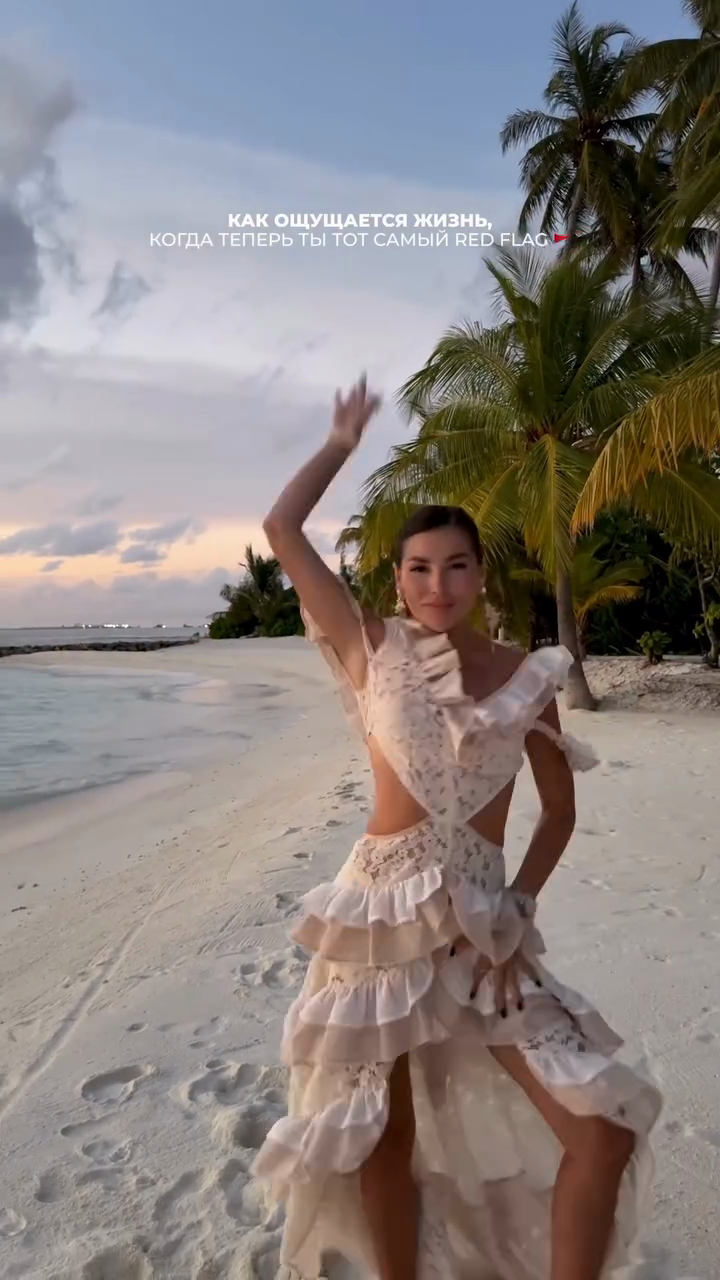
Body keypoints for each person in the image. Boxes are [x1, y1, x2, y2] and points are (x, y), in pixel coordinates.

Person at [252, 377, 662, 1280]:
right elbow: (284, 531)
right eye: (419, 568)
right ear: (397, 579)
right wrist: (338, 445)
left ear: (483, 572)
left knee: (600, 1130)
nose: (439, 584)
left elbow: (558, 811)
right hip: (374, 923)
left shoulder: (529, 676)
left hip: (483, 931)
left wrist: (516, 906)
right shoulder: (371, 649)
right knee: (378, 1142)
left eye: (457, 565)